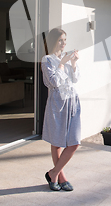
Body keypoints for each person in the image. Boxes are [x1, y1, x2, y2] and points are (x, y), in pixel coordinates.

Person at [41, 28, 80, 191]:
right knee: (57, 143)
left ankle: (53, 173)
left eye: (65, 40)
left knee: (74, 142)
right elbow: (53, 83)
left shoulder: (65, 59)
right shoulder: (47, 60)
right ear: (53, 41)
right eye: (60, 40)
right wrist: (62, 64)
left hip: (73, 101)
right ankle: (61, 177)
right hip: (58, 103)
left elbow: (75, 79)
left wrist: (73, 63)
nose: (64, 43)